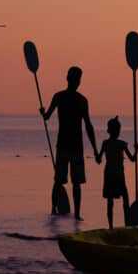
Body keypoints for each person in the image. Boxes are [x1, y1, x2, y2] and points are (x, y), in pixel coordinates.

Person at [40, 65, 96, 219]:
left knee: (68, 182)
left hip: (72, 147)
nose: (77, 82)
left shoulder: (76, 99)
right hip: (67, 146)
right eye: (76, 79)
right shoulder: (63, 97)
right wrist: (43, 113)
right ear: (71, 79)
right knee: (62, 181)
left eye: (78, 79)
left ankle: (70, 213)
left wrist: (96, 150)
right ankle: (56, 210)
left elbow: (88, 126)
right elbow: (47, 116)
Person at [95, 116, 138, 227]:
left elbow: (98, 160)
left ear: (108, 130)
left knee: (110, 202)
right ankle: (126, 224)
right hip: (118, 175)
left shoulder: (106, 143)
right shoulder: (121, 144)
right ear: (117, 131)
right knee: (125, 198)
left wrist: (96, 154)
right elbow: (133, 159)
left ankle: (111, 226)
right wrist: (136, 150)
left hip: (109, 174)